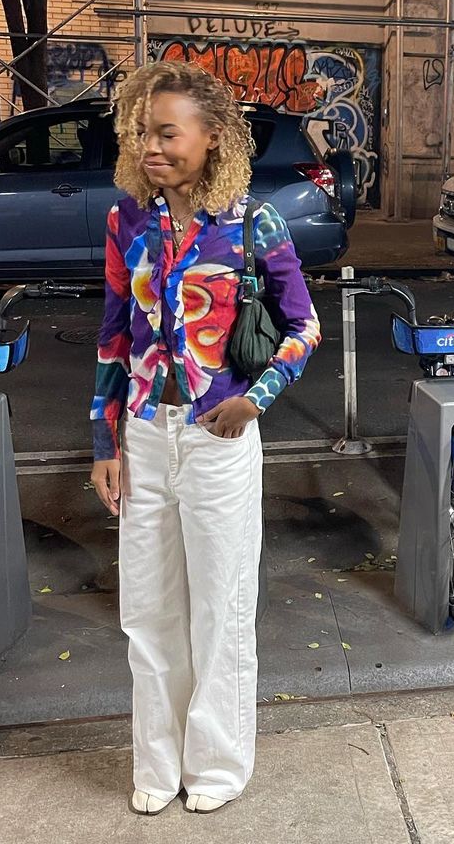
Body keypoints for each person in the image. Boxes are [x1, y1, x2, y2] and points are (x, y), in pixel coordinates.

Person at [88, 61, 320, 815]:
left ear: (212, 136)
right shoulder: (127, 222)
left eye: (167, 133)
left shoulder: (253, 222)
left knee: (221, 608)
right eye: (142, 133)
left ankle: (217, 767)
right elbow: (114, 335)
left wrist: (255, 400)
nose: (150, 148)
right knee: (147, 612)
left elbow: (304, 327)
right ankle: (157, 766)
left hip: (218, 437)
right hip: (145, 436)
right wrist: (104, 442)